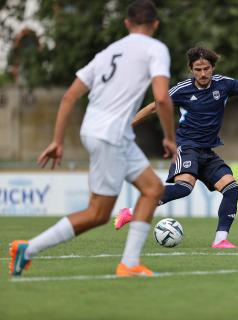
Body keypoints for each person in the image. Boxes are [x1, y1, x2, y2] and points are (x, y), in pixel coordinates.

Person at [9, 0, 176, 277]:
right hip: (110, 135)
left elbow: (69, 96)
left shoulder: (108, 52)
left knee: (153, 189)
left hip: (102, 132)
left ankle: (130, 264)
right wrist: (170, 137)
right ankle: (29, 248)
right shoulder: (156, 48)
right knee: (98, 213)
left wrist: (58, 140)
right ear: (155, 24)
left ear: (126, 24)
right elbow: (161, 98)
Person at [114, 47, 238, 248]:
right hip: (187, 147)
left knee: (232, 188)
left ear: (212, 68)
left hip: (207, 152)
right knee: (184, 188)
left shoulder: (224, 84)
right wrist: (128, 124)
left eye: (206, 69)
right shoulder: (182, 90)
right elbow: (154, 106)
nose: (202, 74)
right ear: (191, 69)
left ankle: (220, 240)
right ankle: (130, 212)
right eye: (197, 69)